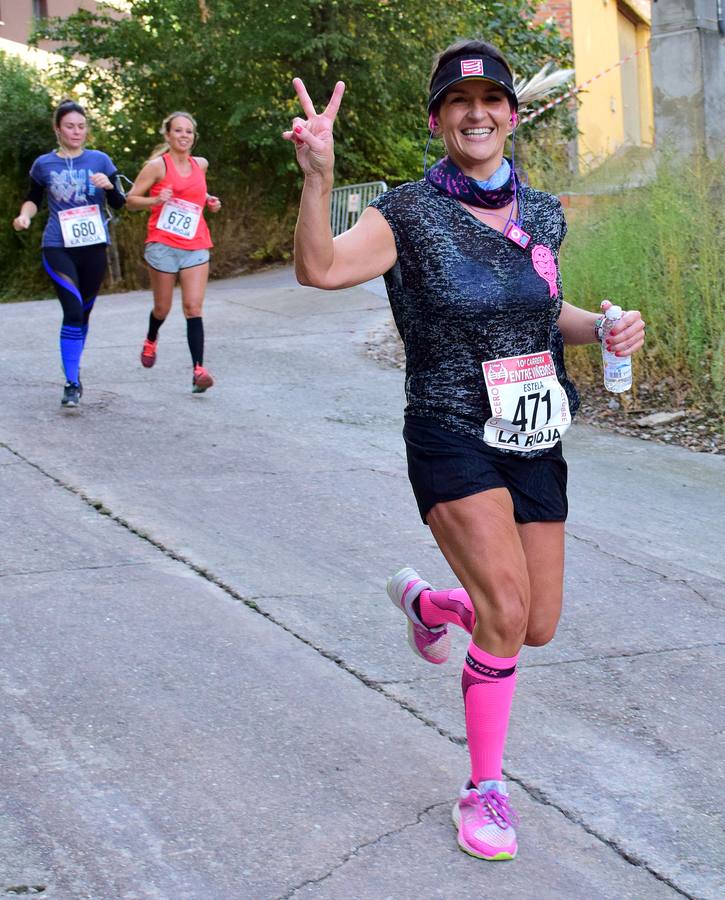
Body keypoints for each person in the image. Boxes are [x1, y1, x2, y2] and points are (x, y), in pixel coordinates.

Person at [283, 39, 646, 862]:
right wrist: (317, 179)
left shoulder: (544, 212)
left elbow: (539, 311)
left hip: (535, 437)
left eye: (491, 100)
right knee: (508, 613)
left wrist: (603, 326)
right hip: (451, 434)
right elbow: (320, 269)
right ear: (440, 119)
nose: (476, 113)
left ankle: (434, 604)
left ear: (512, 116)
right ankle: (485, 790)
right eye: (458, 100)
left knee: (535, 624)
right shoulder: (409, 213)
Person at [12, 99, 126, 409]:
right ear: (57, 129)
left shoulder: (100, 160)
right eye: (69, 126)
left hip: (93, 248)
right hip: (57, 246)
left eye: (81, 126)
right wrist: (25, 216)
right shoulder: (43, 164)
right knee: (73, 310)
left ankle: (72, 365)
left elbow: (119, 202)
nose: (76, 132)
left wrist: (109, 187)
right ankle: (72, 383)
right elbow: (33, 198)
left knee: (84, 313)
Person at [126, 111, 221, 393]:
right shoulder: (157, 166)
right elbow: (130, 201)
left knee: (193, 308)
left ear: (194, 137)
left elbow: (196, 193)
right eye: (178, 131)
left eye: (188, 132)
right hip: (163, 245)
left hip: (195, 243)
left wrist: (209, 200)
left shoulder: (200, 164)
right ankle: (151, 338)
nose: (183, 136)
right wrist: (156, 199)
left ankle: (198, 370)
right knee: (162, 308)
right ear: (168, 135)